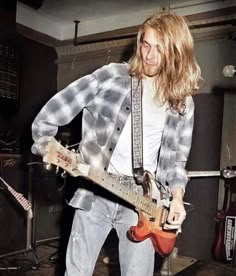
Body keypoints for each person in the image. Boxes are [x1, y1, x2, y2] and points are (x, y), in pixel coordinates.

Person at [31, 11, 201, 276]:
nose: (149, 54)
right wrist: (43, 139)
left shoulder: (182, 103)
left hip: (143, 204)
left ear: (177, 53)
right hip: (96, 191)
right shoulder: (112, 77)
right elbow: (63, 103)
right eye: (145, 44)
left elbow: (177, 161)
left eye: (159, 48)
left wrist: (177, 198)